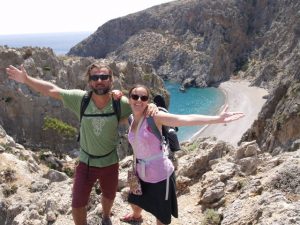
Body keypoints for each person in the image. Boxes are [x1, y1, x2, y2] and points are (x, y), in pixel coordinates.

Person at [6, 63, 157, 225]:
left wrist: (152, 106)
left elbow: (140, 106)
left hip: (110, 162)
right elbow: (52, 90)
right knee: (77, 203)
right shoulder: (80, 99)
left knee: (109, 194)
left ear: (111, 80)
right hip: (86, 162)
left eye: (104, 77)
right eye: (95, 77)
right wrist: (27, 79)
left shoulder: (122, 103)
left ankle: (106, 217)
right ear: (89, 82)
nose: (99, 80)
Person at [120, 84, 245, 225]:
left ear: (147, 100)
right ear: (129, 99)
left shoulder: (154, 117)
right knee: (135, 198)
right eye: (135, 96)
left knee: (161, 212)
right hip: (139, 171)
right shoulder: (131, 118)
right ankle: (136, 216)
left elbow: (184, 119)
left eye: (143, 97)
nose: (139, 100)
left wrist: (217, 119)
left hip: (159, 175)